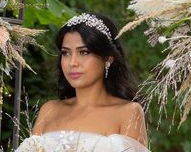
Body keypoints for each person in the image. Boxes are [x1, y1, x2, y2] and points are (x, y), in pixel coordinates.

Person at [17, 12, 149, 151]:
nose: (72, 63)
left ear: (107, 58)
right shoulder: (49, 110)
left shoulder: (128, 112)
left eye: (84, 52)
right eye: (65, 53)